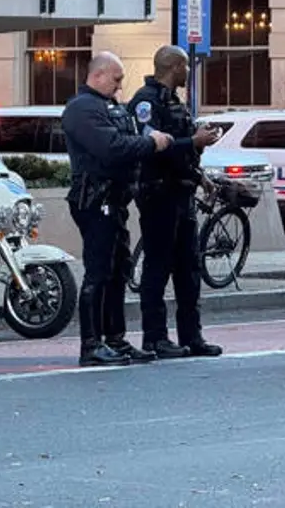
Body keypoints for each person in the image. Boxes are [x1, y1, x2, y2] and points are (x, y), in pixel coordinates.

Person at [61, 50, 174, 367]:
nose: (120, 85)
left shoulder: (107, 107)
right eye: (116, 78)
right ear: (97, 76)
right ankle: (91, 344)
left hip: (115, 200)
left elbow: (127, 139)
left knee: (117, 270)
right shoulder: (82, 109)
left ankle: (115, 338)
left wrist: (146, 141)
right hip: (95, 200)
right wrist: (152, 143)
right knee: (98, 272)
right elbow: (111, 148)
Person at [127, 45, 225, 360]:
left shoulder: (174, 102)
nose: (188, 73)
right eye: (185, 67)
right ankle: (155, 338)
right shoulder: (146, 102)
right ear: (174, 66)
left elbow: (181, 151)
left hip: (182, 194)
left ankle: (191, 336)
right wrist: (192, 141)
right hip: (158, 195)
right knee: (158, 267)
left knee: (188, 267)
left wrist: (200, 175)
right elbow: (149, 146)